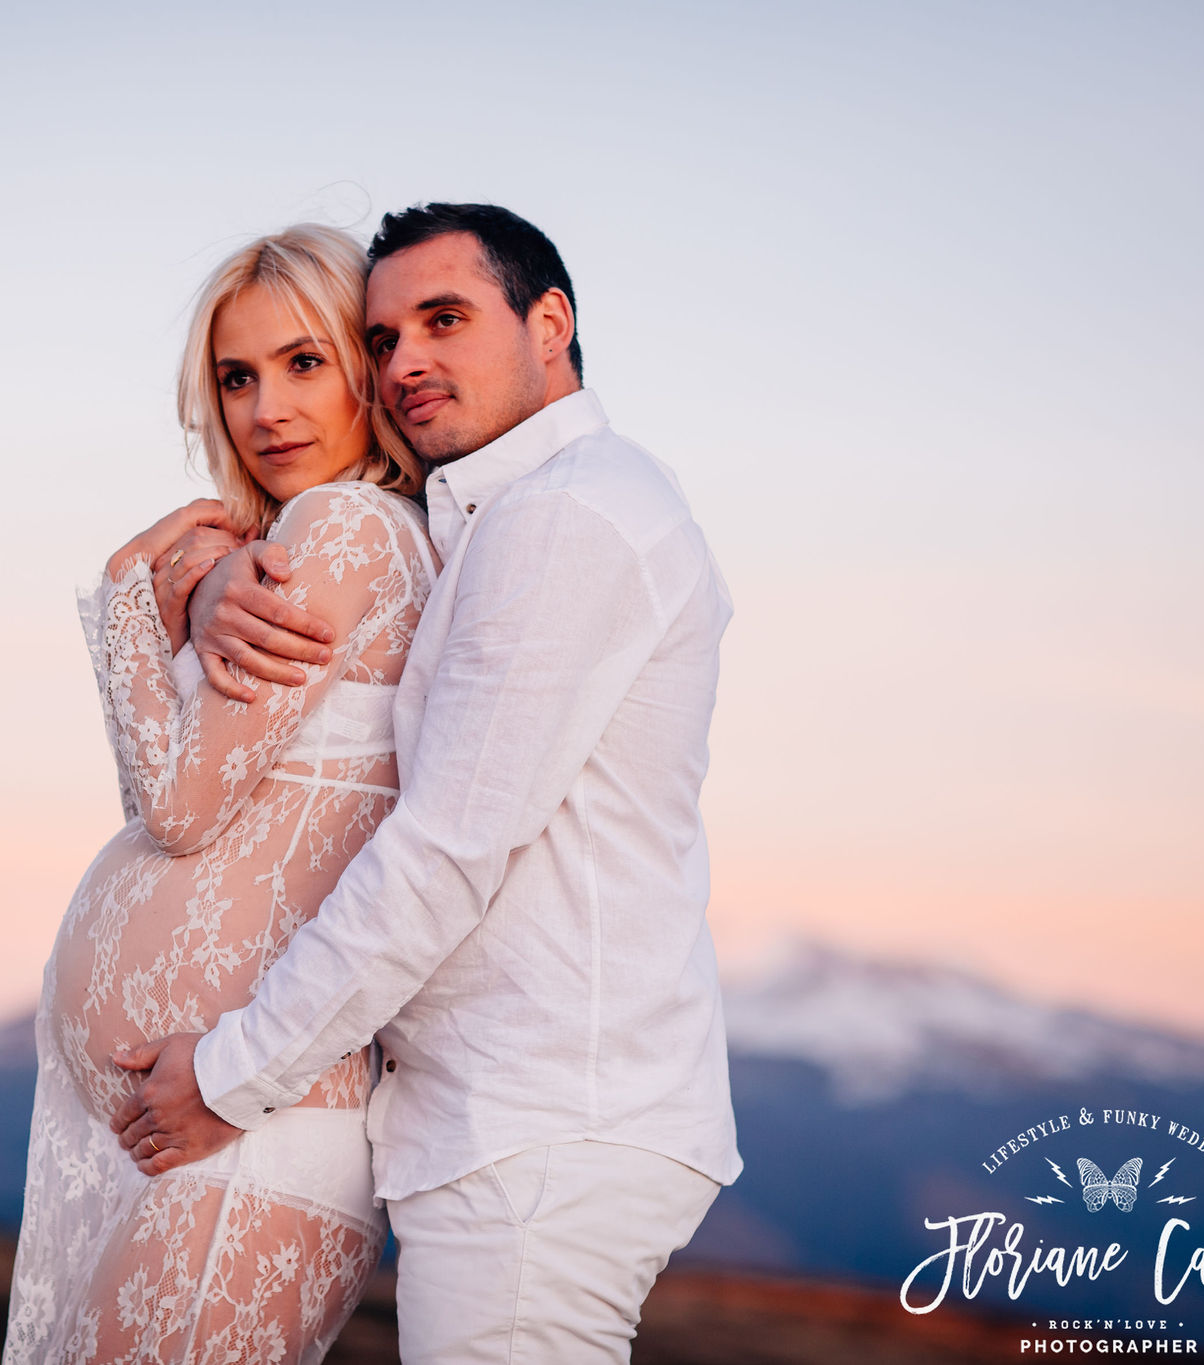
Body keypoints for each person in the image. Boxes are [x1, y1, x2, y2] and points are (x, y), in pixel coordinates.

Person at [109, 203, 743, 1363]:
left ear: (549, 323)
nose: (405, 364)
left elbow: (443, 850)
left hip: (540, 1130)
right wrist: (205, 575)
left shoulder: (565, 519)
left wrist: (228, 1075)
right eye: (384, 337)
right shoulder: (494, 518)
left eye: (443, 321)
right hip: (510, 1127)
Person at [3, 223, 437, 1365]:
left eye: (302, 363)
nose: (265, 409)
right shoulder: (301, 540)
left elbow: (179, 811)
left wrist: (126, 600)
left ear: (365, 363)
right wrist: (181, 600)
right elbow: (180, 803)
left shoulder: (341, 526)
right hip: (204, 1145)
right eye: (236, 378)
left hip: (250, 1144)